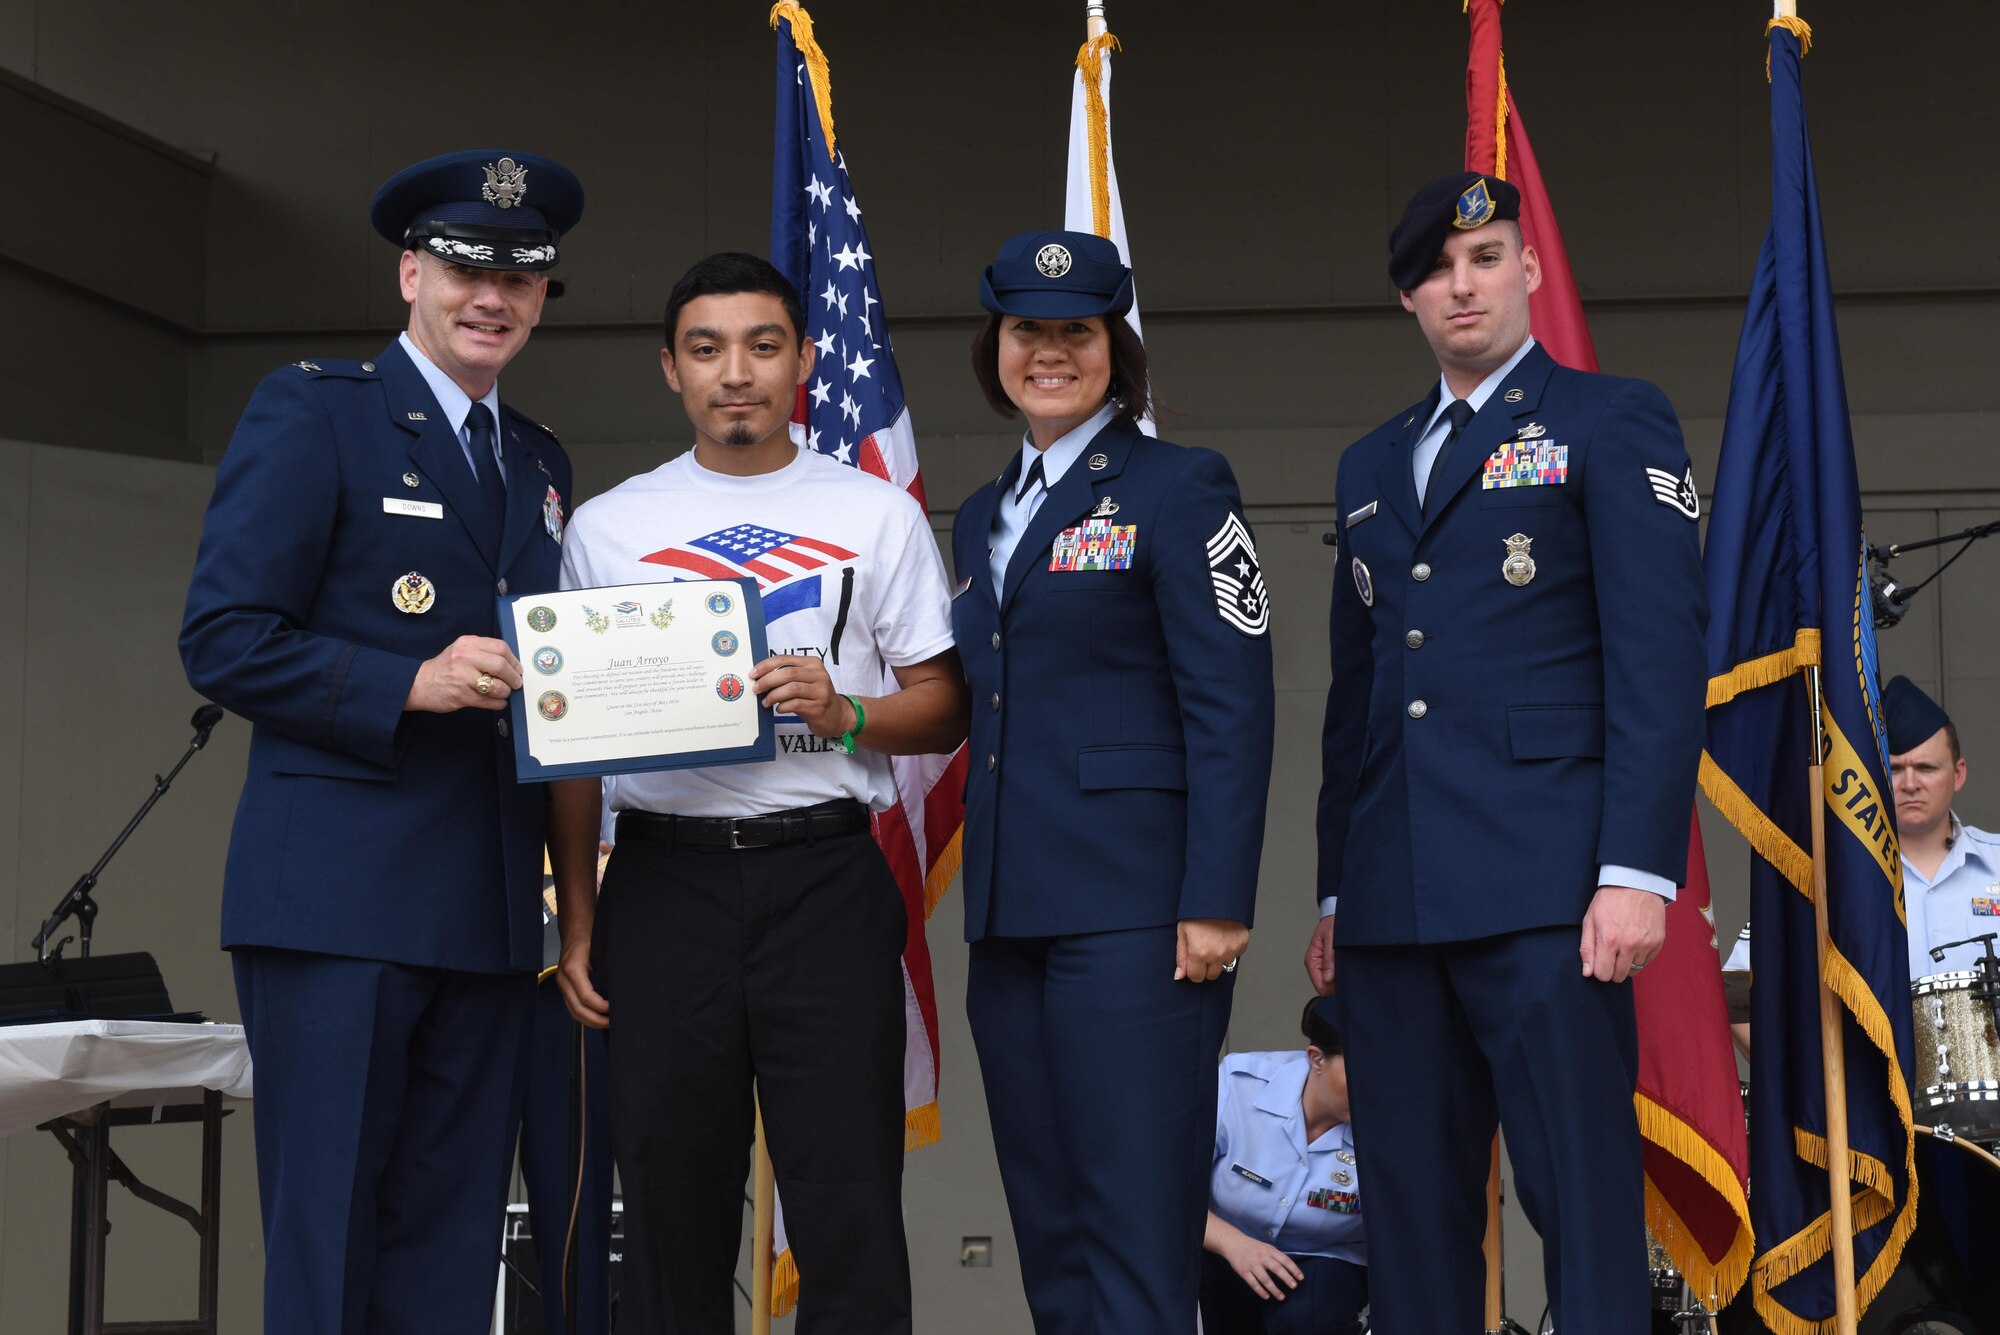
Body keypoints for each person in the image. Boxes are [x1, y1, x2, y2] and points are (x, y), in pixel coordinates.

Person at [179, 149, 584, 1333]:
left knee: (450, 1247)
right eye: (464, 268)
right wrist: (409, 681)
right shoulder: (315, 409)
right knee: (329, 1234)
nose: (490, 298)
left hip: (492, 908)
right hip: (337, 902)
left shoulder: (539, 462)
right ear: (411, 271)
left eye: (520, 279)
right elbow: (224, 638)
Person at [1307, 173, 1707, 1332]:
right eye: (1436, 269)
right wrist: (1336, 883)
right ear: (1406, 299)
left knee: (1577, 1207)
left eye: (1484, 256)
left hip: (1550, 891)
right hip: (1392, 901)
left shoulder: (1607, 418)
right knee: (1411, 1215)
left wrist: (1636, 872)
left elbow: (1655, 657)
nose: (1461, 284)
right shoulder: (1369, 463)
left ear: (1527, 270)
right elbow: (1360, 698)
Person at [547, 252, 968, 1335]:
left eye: (762, 345)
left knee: (848, 1204)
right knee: (671, 1205)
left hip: (825, 874)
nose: (735, 372)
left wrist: (847, 714)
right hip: (661, 884)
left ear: (804, 361)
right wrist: (581, 922)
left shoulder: (875, 514)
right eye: (706, 348)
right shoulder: (606, 527)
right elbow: (571, 749)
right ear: (669, 370)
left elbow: (945, 704)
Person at [951, 228, 1276, 1333]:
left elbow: (1229, 702)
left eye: (1074, 333)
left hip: (1136, 916)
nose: (1048, 352)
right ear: (994, 345)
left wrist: (1218, 897)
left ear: (1111, 348)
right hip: (1007, 919)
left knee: (1137, 1229)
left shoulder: (1177, 486)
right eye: (1026, 330)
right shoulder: (982, 512)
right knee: (1050, 1232)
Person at [1202, 998, 1368, 1335]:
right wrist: (1233, 1244)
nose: (1374, 1087)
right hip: (1219, 1245)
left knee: (1308, 1319)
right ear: (1316, 1058)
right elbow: (1163, 1193)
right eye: (1362, 1070)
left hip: (1324, 1257)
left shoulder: (1392, 1123)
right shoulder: (1239, 1086)